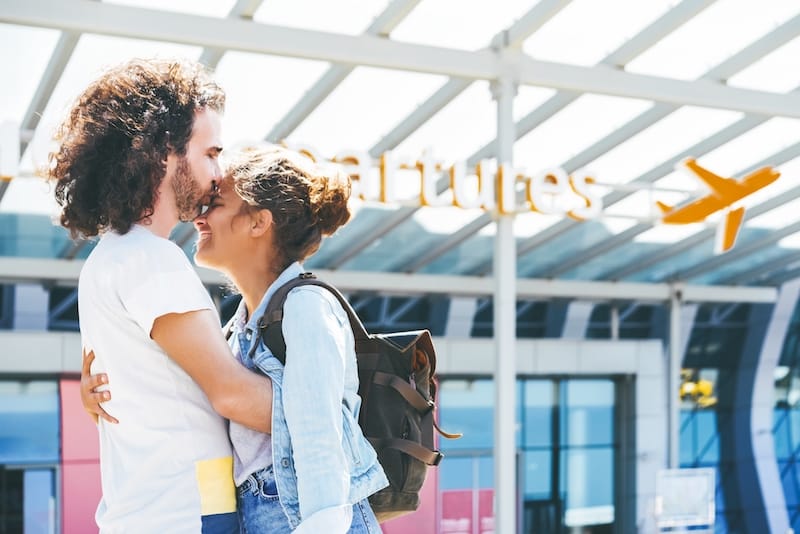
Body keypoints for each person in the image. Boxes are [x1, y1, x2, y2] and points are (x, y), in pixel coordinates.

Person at [84, 145, 389, 533]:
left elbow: (319, 434)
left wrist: (322, 523)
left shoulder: (306, 304)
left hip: (309, 511)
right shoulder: (238, 329)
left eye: (215, 203)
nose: (199, 214)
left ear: (259, 222)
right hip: (259, 509)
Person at [49, 58, 273, 533]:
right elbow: (232, 394)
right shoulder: (153, 261)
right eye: (211, 152)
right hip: (189, 512)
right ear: (164, 152)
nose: (219, 174)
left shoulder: (110, 258)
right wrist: (343, 419)